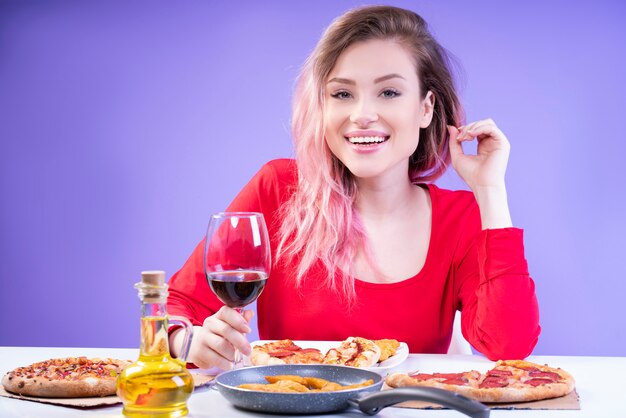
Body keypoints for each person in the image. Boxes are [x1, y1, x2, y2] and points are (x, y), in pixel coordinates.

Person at [167, 5, 540, 370]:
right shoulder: (278, 189)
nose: (361, 114)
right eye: (342, 94)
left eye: (389, 92)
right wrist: (188, 343)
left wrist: (490, 191)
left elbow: (509, 345)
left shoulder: (460, 218)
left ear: (426, 107)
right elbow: (173, 308)